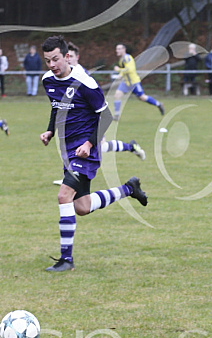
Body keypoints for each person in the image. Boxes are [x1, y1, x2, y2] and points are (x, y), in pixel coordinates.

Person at [40, 35, 149, 272]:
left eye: (56, 59)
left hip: (85, 149)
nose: (52, 65)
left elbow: (106, 116)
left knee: (63, 196)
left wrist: (90, 144)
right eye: (47, 61)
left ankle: (66, 260)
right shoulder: (48, 80)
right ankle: (130, 188)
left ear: (67, 56)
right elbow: (56, 107)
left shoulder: (85, 83)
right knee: (82, 206)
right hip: (68, 150)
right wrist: (49, 131)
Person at [51, 40, 147, 186]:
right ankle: (131, 147)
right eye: (67, 56)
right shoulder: (66, 75)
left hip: (92, 120)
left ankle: (71, 177)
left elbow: (95, 100)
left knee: (94, 146)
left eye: (71, 56)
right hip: (81, 121)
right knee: (95, 146)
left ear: (77, 57)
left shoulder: (81, 74)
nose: (68, 59)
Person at [113, 43, 164, 120]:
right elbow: (125, 70)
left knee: (142, 98)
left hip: (133, 83)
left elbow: (130, 69)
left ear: (124, 49)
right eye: (117, 49)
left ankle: (159, 104)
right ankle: (117, 116)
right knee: (117, 95)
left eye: (119, 49)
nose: (117, 50)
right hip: (126, 82)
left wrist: (119, 70)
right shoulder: (121, 60)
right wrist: (121, 74)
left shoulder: (128, 58)